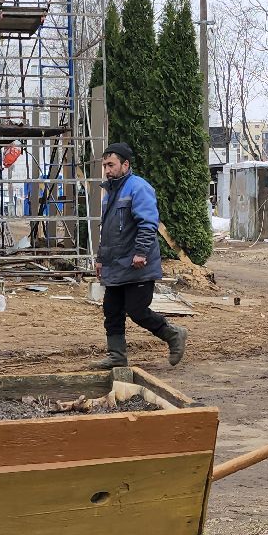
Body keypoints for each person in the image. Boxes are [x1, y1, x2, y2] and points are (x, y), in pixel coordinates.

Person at [94, 142, 187, 368]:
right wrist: (100, 259)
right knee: (112, 310)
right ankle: (117, 356)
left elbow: (147, 223)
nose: (107, 170)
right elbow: (107, 230)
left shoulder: (138, 187)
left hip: (138, 264)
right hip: (115, 264)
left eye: (111, 165)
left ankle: (174, 334)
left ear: (125, 165)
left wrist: (141, 253)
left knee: (137, 311)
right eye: (105, 165)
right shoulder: (110, 192)